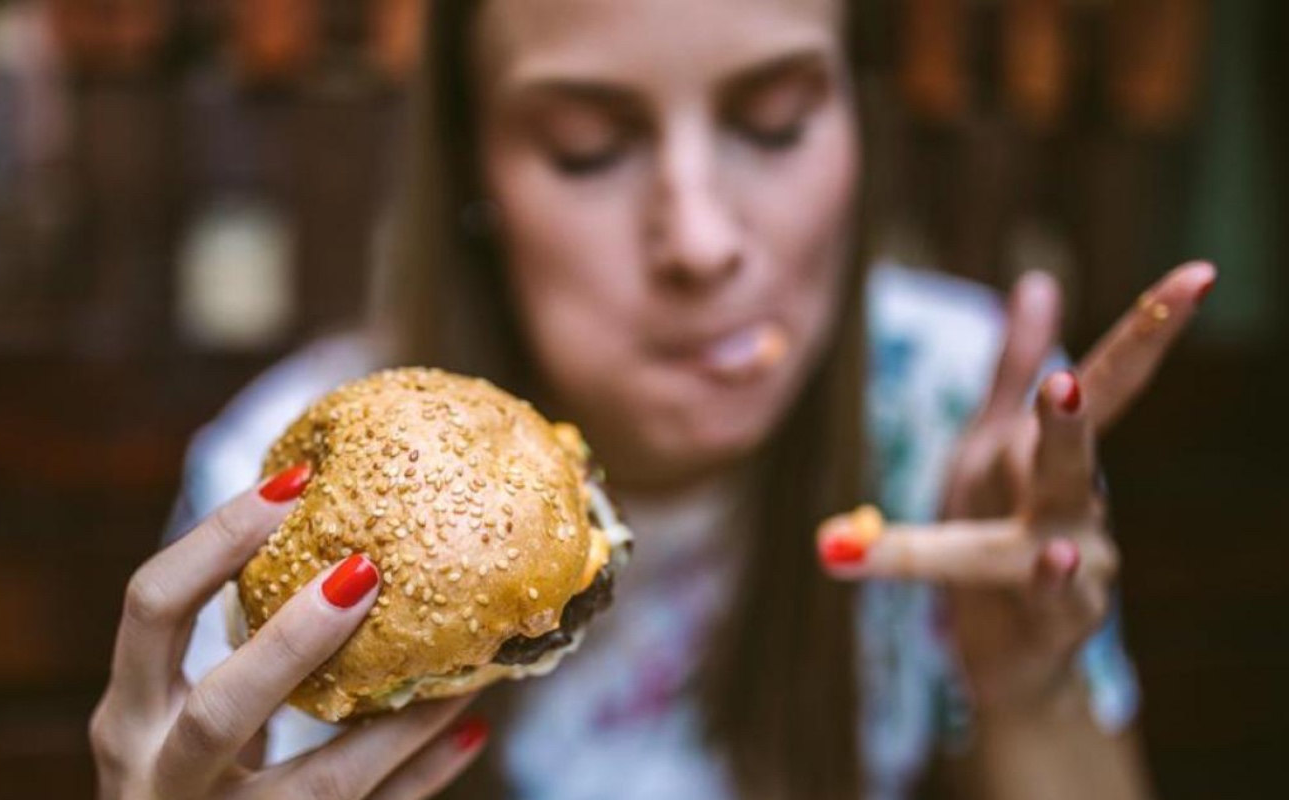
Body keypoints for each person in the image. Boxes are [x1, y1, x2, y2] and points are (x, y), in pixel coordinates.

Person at [90, 1, 1216, 798]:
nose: (702, 240)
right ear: (476, 169)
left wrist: (1027, 690)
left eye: (775, 122)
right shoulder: (286, 488)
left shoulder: (960, 413)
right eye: (588, 147)